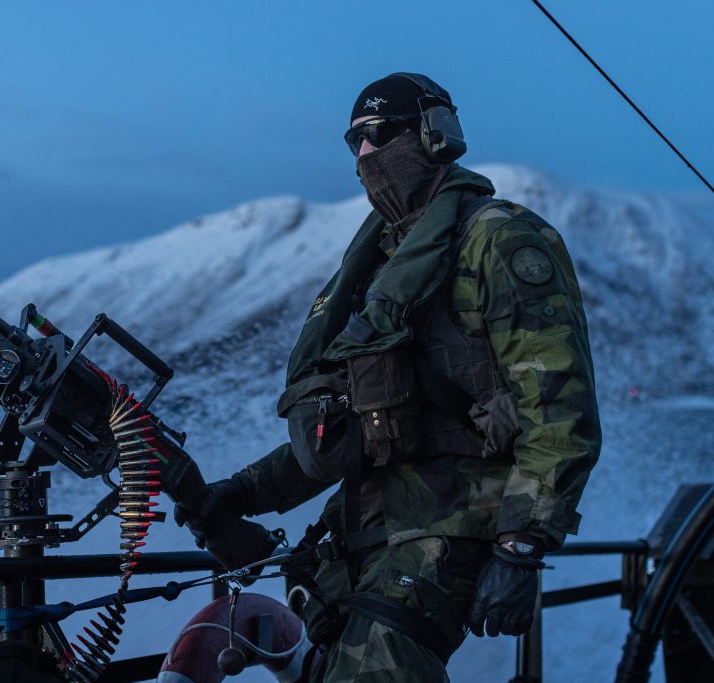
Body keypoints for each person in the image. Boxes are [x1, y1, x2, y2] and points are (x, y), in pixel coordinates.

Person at [174, 73, 602, 681]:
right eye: (355, 143)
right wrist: (243, 492)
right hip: (367, 533)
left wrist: (522, 545)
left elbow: (559, 412)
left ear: (434, 136)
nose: (365, 155)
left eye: (378, 135)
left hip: (451, 531)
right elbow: (355, 424)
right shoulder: (382, 265)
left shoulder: (499, 239)